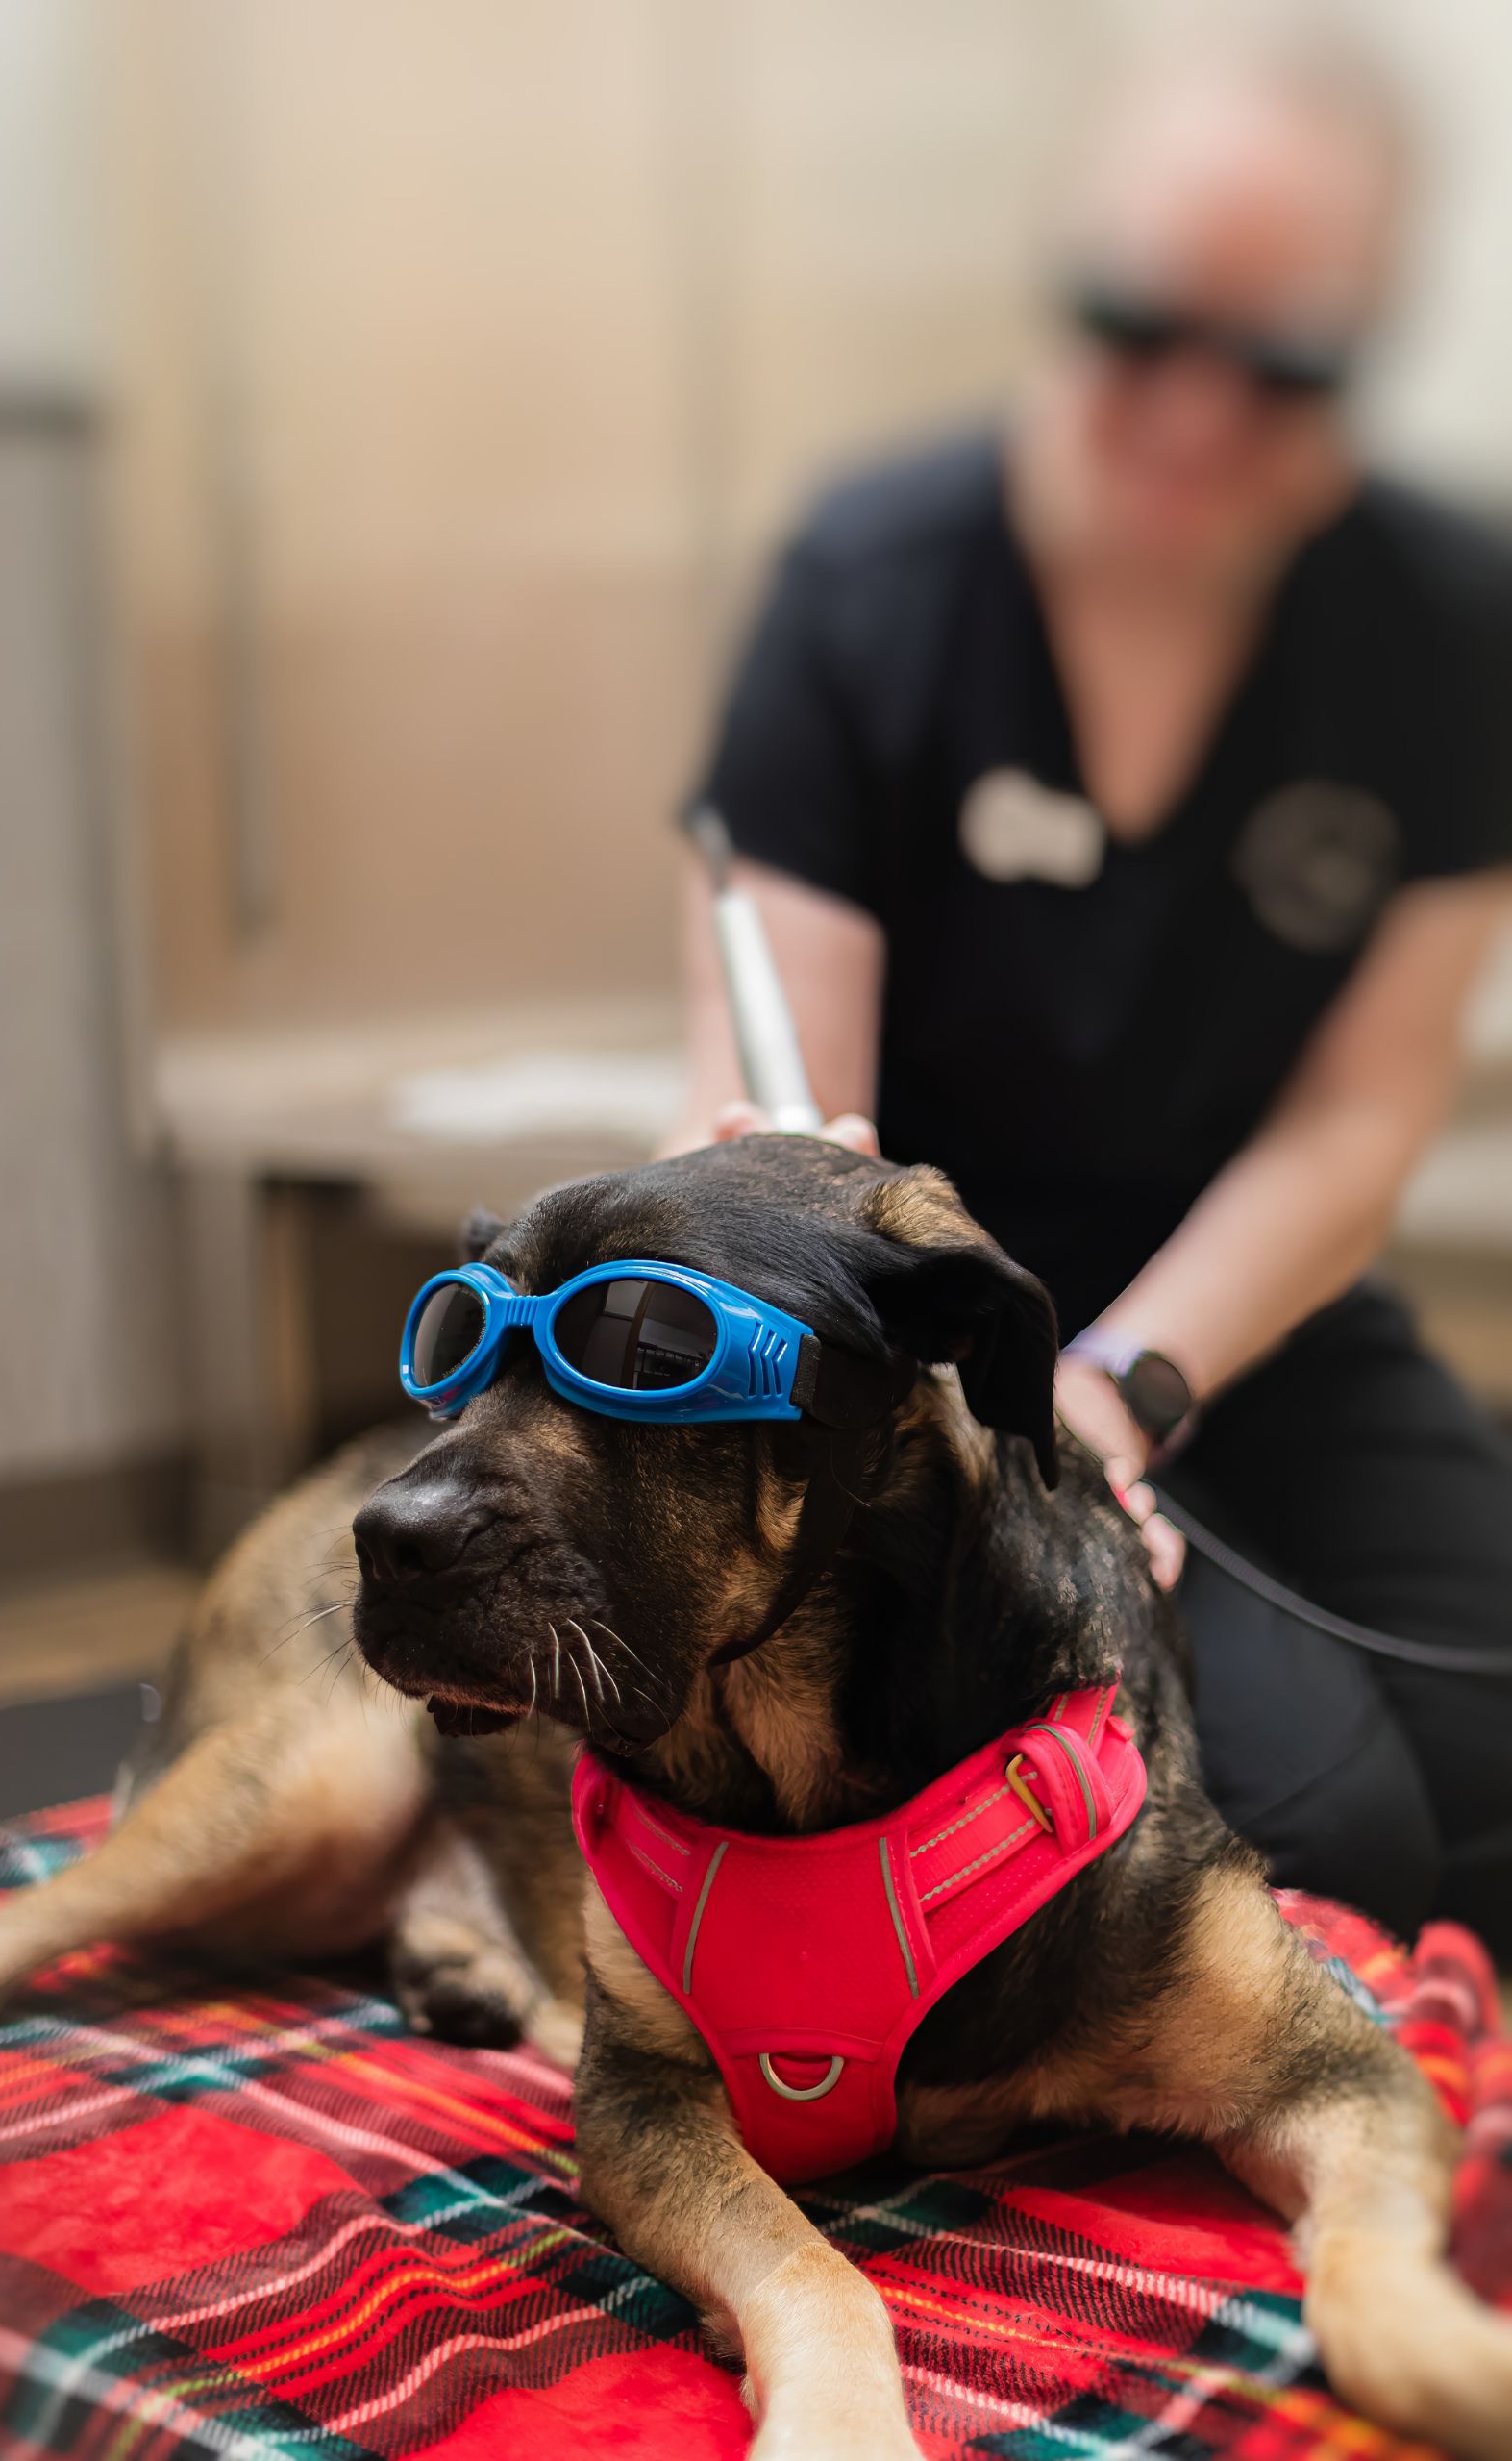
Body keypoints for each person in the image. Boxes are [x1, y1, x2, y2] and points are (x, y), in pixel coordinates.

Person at [671, 31, 1512, 1953]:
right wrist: (1001, 1422)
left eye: (1279, 361)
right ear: (1067, 282)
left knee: (1487, 1743)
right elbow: (784, 1144)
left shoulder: (1444, 623)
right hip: (926, 1340)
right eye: (1140, 328)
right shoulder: (868, 585)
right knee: (1336, 1831)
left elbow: (1359, 1109)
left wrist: (1126, 1383)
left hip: (1251, 1293)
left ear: (1362, 342)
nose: (1194, 412)